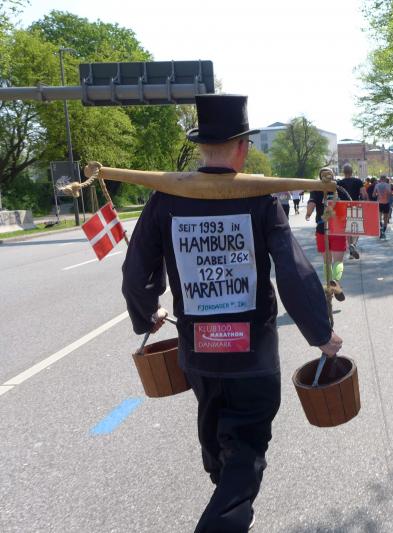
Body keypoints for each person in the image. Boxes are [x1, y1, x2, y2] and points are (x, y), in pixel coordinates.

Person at [121, 94, 343, 533]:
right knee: (246, 451)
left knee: (218, 436)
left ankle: (231, 505)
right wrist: (321, 334)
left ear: (202, 146)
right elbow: (293, 272)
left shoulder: (166, 199)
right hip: (252, 356)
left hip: (198, 355)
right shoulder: (259, 199)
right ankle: (226, 518)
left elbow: (135, 270)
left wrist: (148, 313)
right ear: (242, 147)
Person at [307, 169, 348, 301]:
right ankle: (335, 281)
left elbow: (311, 203)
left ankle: (329, 285)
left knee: (327, 261)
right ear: (332, 176)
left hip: (322, 229)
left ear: (320, 177)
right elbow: (350, 204)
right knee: (338, 261)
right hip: (338, 229)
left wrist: (308, 213)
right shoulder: (339, 188)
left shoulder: (316, 189)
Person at [337, 164, 366, 259]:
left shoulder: (339, 183)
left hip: (343, 207)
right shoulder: (358, 181)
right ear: (352, 172)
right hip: (355, 206)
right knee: (357, 227)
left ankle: (350, 250)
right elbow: (364, 194)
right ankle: (353, 244)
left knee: (348, 228)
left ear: (343, 172)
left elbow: (335, 196)